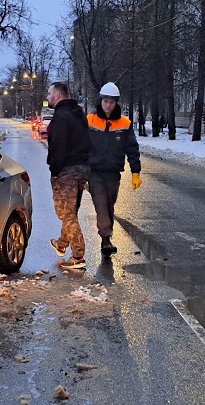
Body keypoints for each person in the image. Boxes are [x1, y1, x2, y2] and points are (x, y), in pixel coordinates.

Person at [86, 82, 141, 256]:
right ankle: (106, 238)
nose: (108, 105)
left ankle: (105, 239)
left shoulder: (124, 124)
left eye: (112, 102)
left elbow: (132, 148)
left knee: (109, 205)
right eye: (105, 101)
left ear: (116, 102)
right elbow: (80, 145)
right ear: (100, 101)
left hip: (113, 173)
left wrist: (135, 172)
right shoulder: (89, 120)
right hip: (94, 173)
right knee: (101, 204)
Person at [46, 82, 91, 270]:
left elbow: (58, 146)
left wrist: (55, 170)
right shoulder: (78, 113)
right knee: (71, 209)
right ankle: (62, 243)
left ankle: (78, 256)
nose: (47, 97)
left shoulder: (61, 116)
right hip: (82, 168)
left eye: (49, 94)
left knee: (65, 212)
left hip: (66, 170)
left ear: (57, 95)